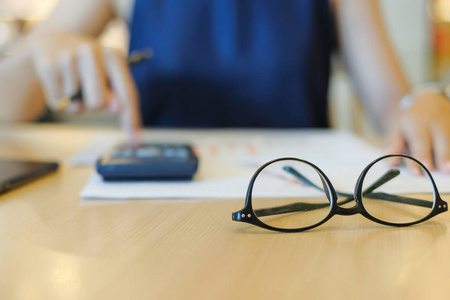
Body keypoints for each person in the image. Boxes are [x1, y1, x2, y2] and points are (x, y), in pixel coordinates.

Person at [0, 0, 449, 173]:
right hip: (152, 214)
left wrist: (424, 101)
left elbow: (393, 103)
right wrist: (37, 53)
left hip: (298, 209)